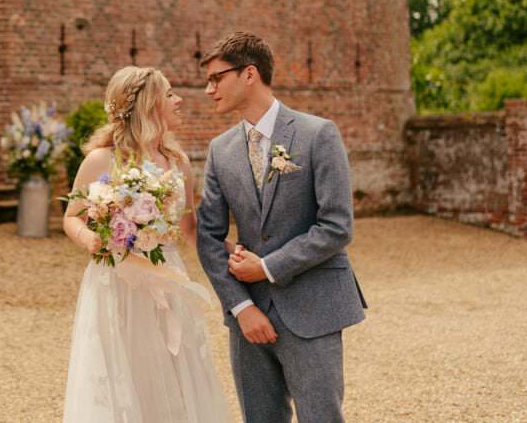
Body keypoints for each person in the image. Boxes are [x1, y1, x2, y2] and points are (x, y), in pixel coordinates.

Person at [195, 32, 367, 422]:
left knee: (321, 417)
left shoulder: (317, 134)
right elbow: (208, 235)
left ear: (249, 74)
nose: (209, 89)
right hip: (248, 315)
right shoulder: (220, 150)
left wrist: (268, 267)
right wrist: (240, 306)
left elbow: (337, 226)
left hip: (312, 306)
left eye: (216, 78)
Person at [62, 66, 230, 423]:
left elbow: (190, 229)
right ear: (148, 104)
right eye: (169, 93)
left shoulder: (178, 163)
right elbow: (71, 215)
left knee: (173, 367)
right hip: (116, 281)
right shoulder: (101, 160)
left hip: (166, 277)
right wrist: (91, 238)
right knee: (123, 368)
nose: (179, 99)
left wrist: (230, 251)